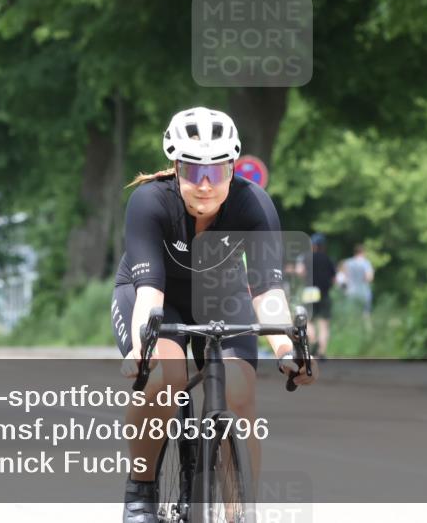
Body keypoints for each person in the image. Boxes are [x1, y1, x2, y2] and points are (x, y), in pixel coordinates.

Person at [110, 106, 317, 522]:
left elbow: (267, 290)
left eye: (217, 171)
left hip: (221, 296)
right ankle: (141, 491)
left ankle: (240, 512)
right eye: (192, 170)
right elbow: (150, 294)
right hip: (155, 296)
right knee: (166, 378)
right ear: (175, 167)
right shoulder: (149, 202)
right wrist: (141, 351)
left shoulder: (253, 204)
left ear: (232, 168)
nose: (205, 184)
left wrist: (285, 349)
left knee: (238, 392)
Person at [301, 233, 336, 360]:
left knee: (308, 321)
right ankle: (321, 352)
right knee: (324, 324)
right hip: (324, 293)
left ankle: (313, 340)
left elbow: (301, 272)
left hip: (310, 292)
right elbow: (334, 279)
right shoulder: (328, 259)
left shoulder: (307, 257)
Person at [341, 244, 375, 330]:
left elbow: (344, 279)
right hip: (364, 292)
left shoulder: (347, 263)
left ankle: (351, 332)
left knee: (351, 314)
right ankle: (368, 332)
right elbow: (369, 278)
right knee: (366, 315)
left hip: (351, 292)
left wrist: (344, 290)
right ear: (363, 252)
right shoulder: (366, 263)